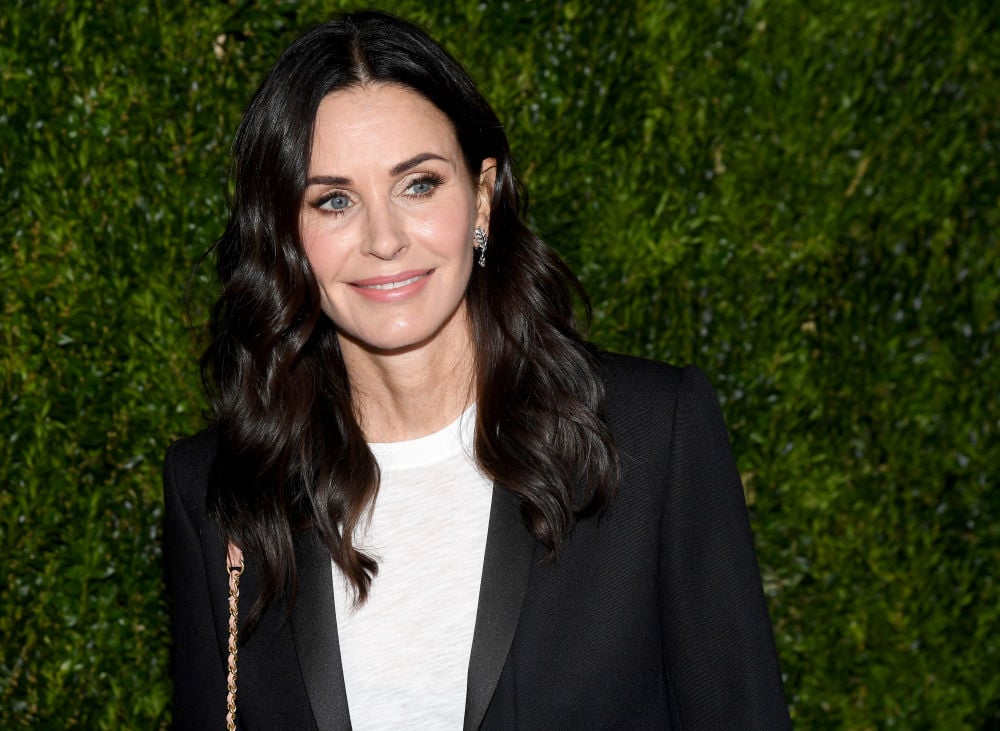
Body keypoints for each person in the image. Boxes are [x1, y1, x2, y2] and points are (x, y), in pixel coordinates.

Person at [163, 10, 792, 730]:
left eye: (419, 185)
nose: (384, 239)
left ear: (482, 196)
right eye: (334, 200)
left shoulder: (650, 436)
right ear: (285, 235)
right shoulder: (223, 490)